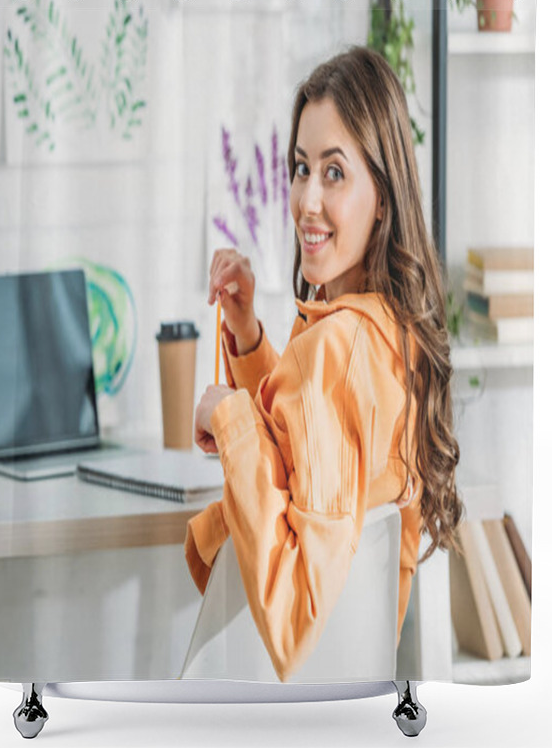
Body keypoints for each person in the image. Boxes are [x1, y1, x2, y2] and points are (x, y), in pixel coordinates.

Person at [185, 45, 463, 683]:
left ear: (382, 196)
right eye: (301, 167)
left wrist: (230, 416)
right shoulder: (391, 338)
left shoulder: (337, 348)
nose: (307, 199)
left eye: (334, 173)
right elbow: (306, 452)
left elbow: (294, 614)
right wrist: (247, 334)